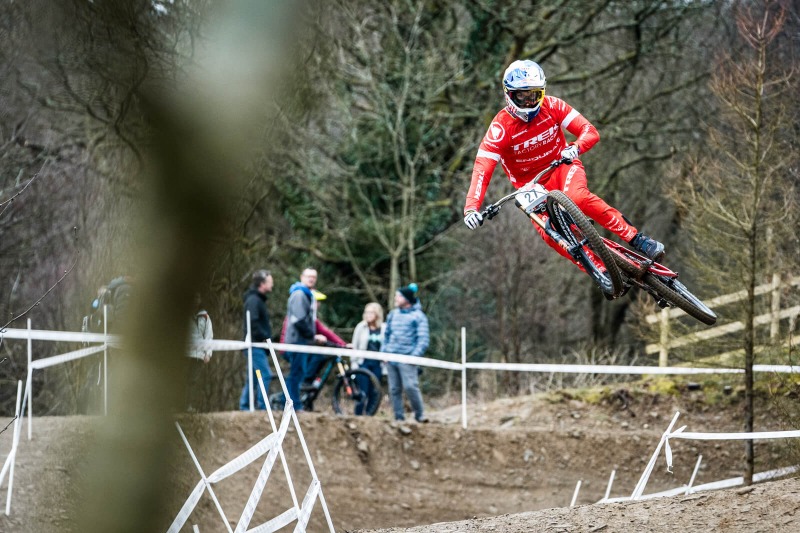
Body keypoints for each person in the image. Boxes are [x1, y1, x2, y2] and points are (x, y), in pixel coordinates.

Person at [463, 60, 665, 265]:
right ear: (509, 95)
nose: (529, 102)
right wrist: (471, 208)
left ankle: (637, 239)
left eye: (534, 95)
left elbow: (590, 131)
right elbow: (482, 169)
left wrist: (576, 147)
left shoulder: (553, 106)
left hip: (562, 166)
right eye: (521, 96)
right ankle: (600, 270)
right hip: (531, 187)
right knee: (549, 233)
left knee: (578, 197)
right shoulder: (500, 128)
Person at [382, 283, 429, 423]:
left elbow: (423, 339)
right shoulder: (392, 315)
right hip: (391, 357)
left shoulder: (419, 316)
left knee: (410, 387)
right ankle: (398, 417)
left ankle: (420, 415)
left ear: (407, 299)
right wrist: (383, 353)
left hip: (407, 358)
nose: (395, 298)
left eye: (398, 296)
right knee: (394, 389)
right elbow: (386, 335)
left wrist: (413, 357)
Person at [284, 268, 327, 410]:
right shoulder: (300, 295)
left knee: (301, 372)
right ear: (302, 277)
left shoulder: (307, 295)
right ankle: (294, 405)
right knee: (297, 373)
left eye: (314, 277)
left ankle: (294, 403)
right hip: (297, 340)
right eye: (309, 276)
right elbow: (299, 320)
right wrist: (312, 335)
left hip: (302, 340)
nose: (311, 279)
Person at [239, 269, 274, 411]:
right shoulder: (254, 301)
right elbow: (253, 323)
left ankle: (245, 405)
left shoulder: (256, 300)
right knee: (265, 375)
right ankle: (263, 406)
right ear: (262, 284)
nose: (272, 285)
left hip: (256, 344)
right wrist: (265, 337)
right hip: (255, 345)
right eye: (270, 282)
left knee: (253, 378)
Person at [351, 302, 386, 416]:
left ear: (377, 314)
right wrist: (354, 365)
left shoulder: (384, 328)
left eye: (371, 312)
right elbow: (354, 346)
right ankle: (358, 414)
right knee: (362, 391)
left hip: (377, 364)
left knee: (374, 392)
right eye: (366, 312)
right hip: (363, 363)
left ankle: (369, 415)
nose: (368, 315)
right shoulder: (361, 327)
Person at [187, 293, 213, 411]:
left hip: (198, 355)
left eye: (198, 297)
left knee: (193, 381)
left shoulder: (205, 317)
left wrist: (208, 353)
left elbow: (209, 336)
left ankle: (190, 406)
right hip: (184, 354)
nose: (195, 300)